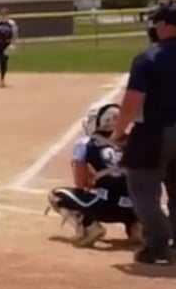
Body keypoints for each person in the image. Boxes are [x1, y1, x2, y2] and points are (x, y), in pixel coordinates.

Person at [108, 0, 176, 264]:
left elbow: (132, 103)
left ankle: (157, 242)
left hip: (153, 133)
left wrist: (118, 132)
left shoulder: (149, 58)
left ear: (164, 24)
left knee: (143, 189)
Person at [47, 102, 140, 247]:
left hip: (103, 207)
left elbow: (80, 184)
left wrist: (95, 179)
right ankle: (137, 227)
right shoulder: (134, 143)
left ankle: (89, 228)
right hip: (135, 207)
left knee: (56, 195)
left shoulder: (86, 143)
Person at [0, 9, 19, 87]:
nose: (4, 16)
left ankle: (2, 80)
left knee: (4, 62)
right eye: (2, 14)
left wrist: (13, 44)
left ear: (8, 15)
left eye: (5, 14)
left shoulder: (11, 23)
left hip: (6, 44)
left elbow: (15, 35)